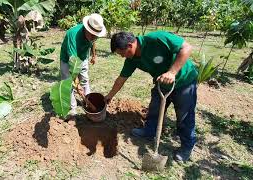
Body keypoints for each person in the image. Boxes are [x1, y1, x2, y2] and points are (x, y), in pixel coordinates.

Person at [105, 31, 198, 162]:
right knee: (154, 109)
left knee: (184, 117)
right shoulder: (132, 60)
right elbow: (121, 79)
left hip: (184, 81)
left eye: (121, 53)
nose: (122, 56)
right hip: (162, 84)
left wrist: (172, 72)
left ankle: (187, 145)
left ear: (130, 46)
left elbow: (187, 48)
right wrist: (108, 96)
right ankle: (150, 131)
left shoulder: (157, 38)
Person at [60, 13, 106, 116]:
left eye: (96, 35)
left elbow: (93, 42)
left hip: (83, 56)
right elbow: (73, 63)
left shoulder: (94, 34)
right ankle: (72, 109)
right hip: (68, 59)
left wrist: (94, 55)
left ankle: (87, 102)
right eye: (92, 34)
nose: (94, 37)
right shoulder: (73, 35)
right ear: (86, 28)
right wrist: (77, 84)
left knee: (85, 80)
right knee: (68, 84)